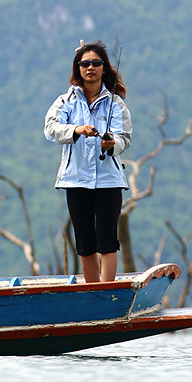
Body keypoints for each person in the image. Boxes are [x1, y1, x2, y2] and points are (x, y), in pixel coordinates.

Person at [44, 40, 132, 283]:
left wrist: (112, 144)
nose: (90, 67)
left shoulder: (115, 103)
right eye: (84, 63)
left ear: (104, 68)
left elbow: (125, 137)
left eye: (96, 63)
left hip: (108, 181)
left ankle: (106, 290)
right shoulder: (66, 101)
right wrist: (77, 129)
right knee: (84, 240)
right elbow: (50, 128)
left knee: (107, 239)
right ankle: (93, 291)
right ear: (77, 68)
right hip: (76, 181)